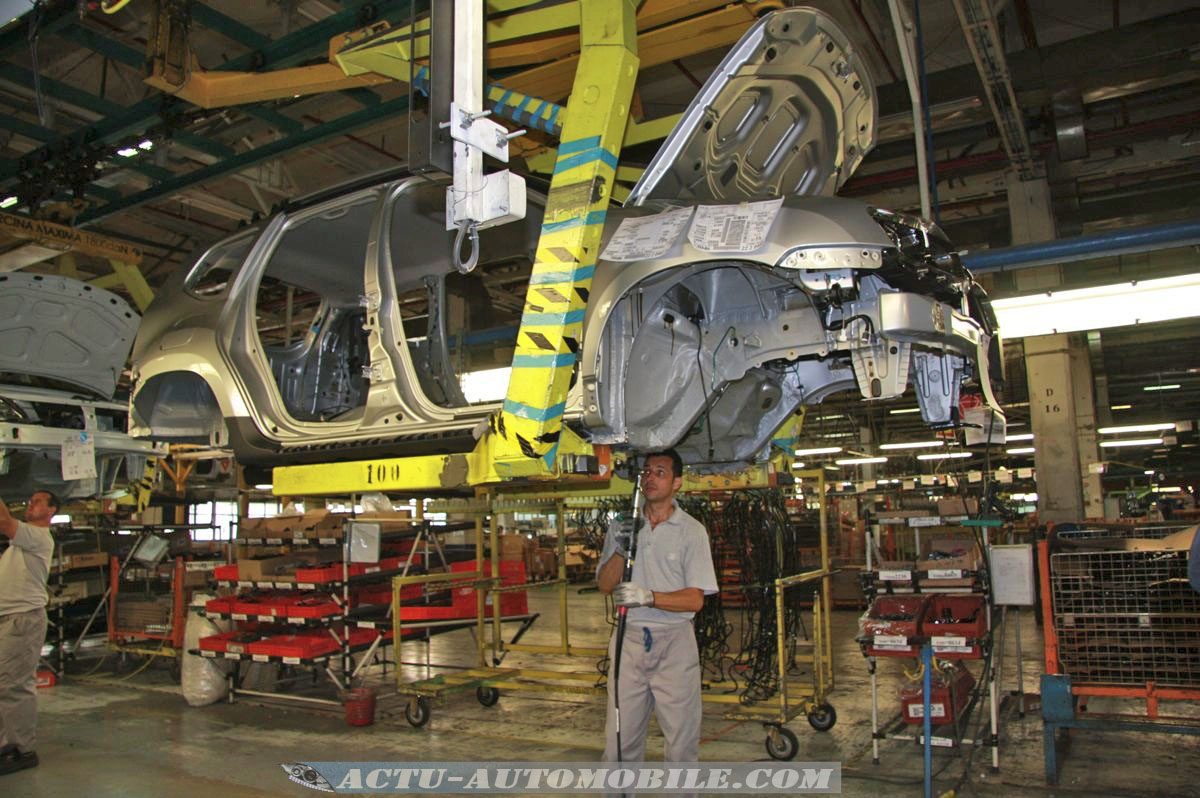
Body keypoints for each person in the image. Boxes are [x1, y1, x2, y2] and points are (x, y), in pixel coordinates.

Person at [596, 449, 718, 764]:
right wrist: (623, 547)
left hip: (674, 642)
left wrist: (650, 597)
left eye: (660, 472)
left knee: (681, 745)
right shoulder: (622, 526)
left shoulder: (692, 531)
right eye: (647, 471)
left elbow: (695, 599)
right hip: (629, 640)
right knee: (619, 744)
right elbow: (605, 585)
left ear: (677, 482)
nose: (650, 478)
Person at [0, 489, 58, 776]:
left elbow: (3, 521)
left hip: (22, 621)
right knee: (4, 685)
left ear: (51, 512)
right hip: (9, 619)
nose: (30, 504)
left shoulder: (37, 536)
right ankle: (5, 743)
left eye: (37, 502)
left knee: (14, 686)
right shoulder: (19, 543)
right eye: (30, 500)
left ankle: (23, 750)